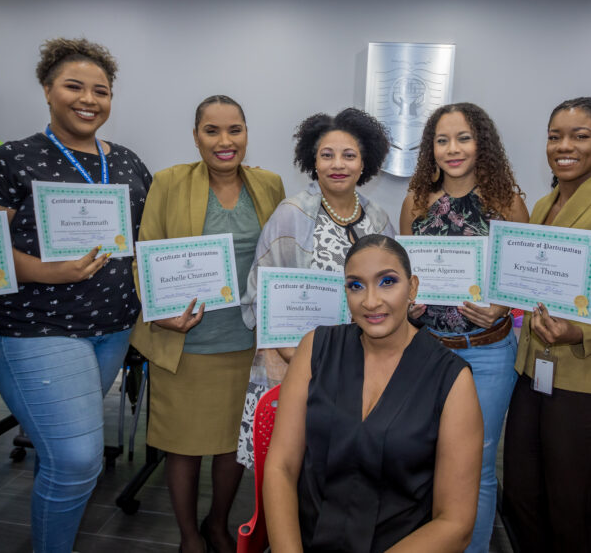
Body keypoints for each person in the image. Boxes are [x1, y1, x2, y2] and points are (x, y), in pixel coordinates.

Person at [0, 38, 152, 553]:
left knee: (63, 455)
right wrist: (47, 272)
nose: (89, 99)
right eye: (75, 86)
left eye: (101, 91)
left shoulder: (127, 162)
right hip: (38, 328)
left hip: (111, 331)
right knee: (77, 460)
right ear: (47, 89)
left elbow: (145, 242)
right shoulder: (12, 158)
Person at [129, 95, 284, 553]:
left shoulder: (269, 184)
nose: (224, 141)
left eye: (234, 129)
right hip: (186, 343)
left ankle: (217, 523)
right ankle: (189, 536)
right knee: (183, 446)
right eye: (212, 130)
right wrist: (160, 312)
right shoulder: (169, 182)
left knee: (232, 444)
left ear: (246, 134)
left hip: (246, 342)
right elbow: (145, 254)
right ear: (196, 136)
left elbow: (282, 253)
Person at [264, 234, 482, 552]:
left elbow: (455, 523)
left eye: (387, 282)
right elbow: (281, 466)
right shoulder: (316, 348)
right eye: (356, 285)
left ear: (413, 288)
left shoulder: (451, 379)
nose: (370, 301)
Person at [503, 97, 591, 552]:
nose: (564, 146)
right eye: (555, 136)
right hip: (532, 374)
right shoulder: (543, 204)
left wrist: (579, 331)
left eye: (580, 136)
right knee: (521, 499)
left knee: (571, 512)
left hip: (590, 386)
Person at [398, 102, 529, 552]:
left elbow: (523, 279)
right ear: (430, 149)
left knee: (478, 467)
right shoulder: (415, 202)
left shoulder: (507, 203)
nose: (452, 149)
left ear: (482, 144)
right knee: (424, 460)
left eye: (463, 138)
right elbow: (405, 276)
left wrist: (502, 307)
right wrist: (409, 308)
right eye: (442, 140)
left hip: (487, 352)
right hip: (427, 354)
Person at [237, 107, 394, 469]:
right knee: (291, 470)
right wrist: (299, 357)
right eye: (327, 155)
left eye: (349, 155)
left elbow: (392, 288)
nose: (338, 164)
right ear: (313, 161)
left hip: (362, 370)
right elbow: (261, 295)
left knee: (345, 472)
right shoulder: (290, 215)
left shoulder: (379, 219)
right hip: (297, 366)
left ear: (364, 162)